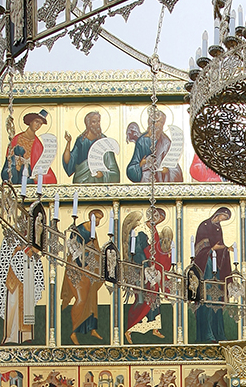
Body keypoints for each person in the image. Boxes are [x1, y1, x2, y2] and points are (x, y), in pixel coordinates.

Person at [125, 208, 172, 342]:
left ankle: (154, 327)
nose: (159, 221)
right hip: (141, 270)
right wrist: (146, 263)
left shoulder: (154, 231)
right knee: (141, 299)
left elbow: (157, 251)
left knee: (154, 297)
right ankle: (130, 328)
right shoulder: (140, 230)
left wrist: (165, 254)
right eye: (158, 218)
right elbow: (136, 250)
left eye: (161, 220)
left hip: (152, 270)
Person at [60, 209, 105, 344]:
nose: (98, 221)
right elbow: (73, 248)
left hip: (89, 270)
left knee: (92, 297)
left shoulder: (93, 232)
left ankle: (92, 329)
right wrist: (82, 263)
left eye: (100, 219)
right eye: (96, 218)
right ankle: (73, 332)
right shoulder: (79, 229)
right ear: (91, 217)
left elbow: (96, 249)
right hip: (77, 269)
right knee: (81, 299)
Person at [193, 206, 233, 342]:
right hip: (206, 265)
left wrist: (226, 249)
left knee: (217, 298)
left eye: (226, 219)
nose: (223, 220)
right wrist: (211, 249)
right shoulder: (204, 225)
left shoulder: (218, 228)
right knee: (207, 297)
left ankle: (218, 333)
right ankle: (207, 334)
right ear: (218, 213)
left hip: (216, 267)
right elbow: (199, 248)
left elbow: (219, 246)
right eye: (224, 217)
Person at [0, 233, 45, 344]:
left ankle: (26, 335)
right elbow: (6, 255)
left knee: (27, 303)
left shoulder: (32, 233)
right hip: (13, 276)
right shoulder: (10, 235)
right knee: (13, 303)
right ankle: (11, 335)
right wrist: (17, 250)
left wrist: (30, 250)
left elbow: (37, 250)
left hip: (27, 272)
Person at [126, 108, 184, 184]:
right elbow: (131, 168)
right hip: (145, 182)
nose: (159, 125)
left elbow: (174, 165)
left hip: (161, 182)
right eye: (156, 121)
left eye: (161, 122)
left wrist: (167, 171)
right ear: (150, 123)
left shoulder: (166, 142)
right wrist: (141, 164)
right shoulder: (141, 142)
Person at [62, 110, 120, 184]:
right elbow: (70, 162)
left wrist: (103, 174)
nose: (97, 124)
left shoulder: (104, 141)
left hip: (99, 183)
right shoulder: (81, 141)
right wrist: (68, 143)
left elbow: (113, 170)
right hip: (81, 181)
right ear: (88, 124)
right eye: (94, 122)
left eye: (98, 121)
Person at [1, 110, 57, 185]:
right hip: (17, 176)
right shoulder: (17, 139)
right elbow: (8, 164)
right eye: (36, 121)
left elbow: (41, 164)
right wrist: (16, 168)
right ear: (30, 121)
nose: (38, 125)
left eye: (40, 123)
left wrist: (38, 176)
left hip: (30, 178)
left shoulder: (38, 144)